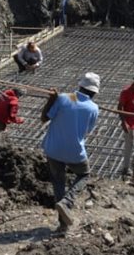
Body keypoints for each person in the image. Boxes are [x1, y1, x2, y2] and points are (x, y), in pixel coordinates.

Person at [40, 72, 100, 235]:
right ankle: (67, 202)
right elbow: (87, 131)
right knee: (84, 174)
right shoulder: (94, 108)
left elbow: (44, 118)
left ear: (80, 86)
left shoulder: (63, 98)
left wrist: (51, 100)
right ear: (94, 92)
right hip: (74, 151)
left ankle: (63, 225)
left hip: (53, 149)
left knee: (59, 183)